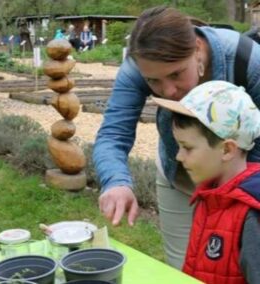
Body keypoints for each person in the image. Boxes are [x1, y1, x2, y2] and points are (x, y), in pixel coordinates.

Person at [92, 5, 260, 270]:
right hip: (179, 178)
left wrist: (233, 195)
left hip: (243, 187)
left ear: (196, 49)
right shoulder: (137, 67)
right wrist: (116, 182)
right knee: (185, 268)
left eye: (176, 74)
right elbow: (114, 133)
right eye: (154, 81)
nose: (168, 91)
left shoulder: (249, 61)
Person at [152, 80, 260, 283]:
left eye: (187, 147)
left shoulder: (251, 216)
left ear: (227, 149)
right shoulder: (209, 197)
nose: (178, 157)